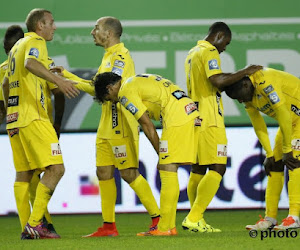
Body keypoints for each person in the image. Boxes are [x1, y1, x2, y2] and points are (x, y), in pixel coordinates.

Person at [55, 16, 160, 237]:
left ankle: (158, 219)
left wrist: (67, 78)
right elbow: (97, 87)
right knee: (103, 172)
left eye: (97, 28)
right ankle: (109, 226)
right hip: (106, 124)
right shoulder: (108, 57)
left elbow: (106, 90)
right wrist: (66, 76)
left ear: (109, 33)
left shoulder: (121, 57)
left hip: (121, 121)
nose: (93, 32)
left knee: (129, 173)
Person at [2, 8, 79, 239]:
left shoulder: (15, 48)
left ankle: (27, 228)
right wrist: (58, 80)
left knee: (23, 174)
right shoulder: (36, 42)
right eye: (51, 23)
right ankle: (36, 224)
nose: (54, 27)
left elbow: (5, 84)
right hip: (34, 117)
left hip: (15, 121)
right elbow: (31, 64)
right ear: (40, 26)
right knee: (57, 169)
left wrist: (9, 110)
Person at [93, 72, 200, 236]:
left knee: (167, 167)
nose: (113, 101)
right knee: (169, 168)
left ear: (109, 88)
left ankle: (164, 228)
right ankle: (168, 227)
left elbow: (147, 124)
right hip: (189, 110)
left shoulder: (124, 92)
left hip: (177, 116)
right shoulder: (135, 80)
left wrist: (160, 152)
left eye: (108, 98)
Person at [182, 21, 262, 232]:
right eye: (226, 42)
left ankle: (195, 219)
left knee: (198, 168)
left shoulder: (192, 52)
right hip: (209, 117)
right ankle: (194, 216)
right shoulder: (209, 51)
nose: (225, 47)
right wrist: (245, 71)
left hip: (195, 116)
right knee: (218, 166)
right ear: (218, 35)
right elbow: (217, 81)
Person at [224, 67, 300, 230]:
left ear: (245, 85)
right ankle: (270, 218)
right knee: (274, 165)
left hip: (296, 119)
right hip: (289, 122)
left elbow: (282, 113)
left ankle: (294, 217)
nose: (240, 101)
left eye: (239, 97)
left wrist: (287, 150)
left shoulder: (265, 82)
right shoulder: (248, 96)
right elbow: (259, 125)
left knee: (294, 162)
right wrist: (269, 153)